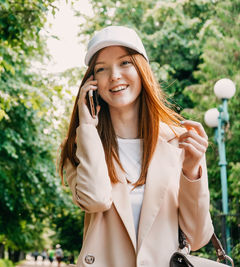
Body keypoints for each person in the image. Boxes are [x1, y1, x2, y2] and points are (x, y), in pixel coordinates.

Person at [58, 25, 214, 266]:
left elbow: (197, 237)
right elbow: (96, 200)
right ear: (91, 82)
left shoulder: (181, 142)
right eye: (101, 69)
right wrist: (88, 129)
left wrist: (192, 171)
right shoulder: (79, 145)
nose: (114, 76)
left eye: (125, 63)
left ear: (142, 70)